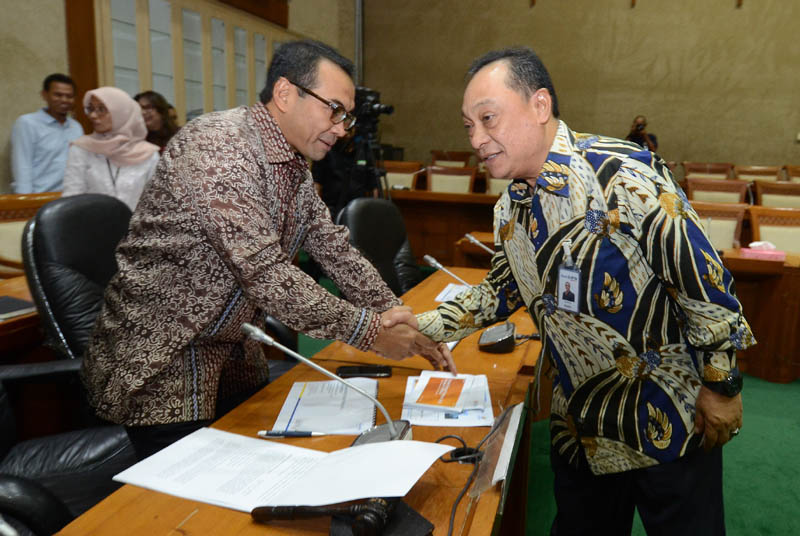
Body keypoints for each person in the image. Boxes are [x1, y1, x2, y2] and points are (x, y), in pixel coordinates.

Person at [411, 47, 752, 535]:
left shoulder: (622, 175)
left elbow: (702, 281)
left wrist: (721, 387)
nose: (476, 139)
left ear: (540, 105)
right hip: (581, 429)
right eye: (468, 126)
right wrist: (417, 327)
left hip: (667, 419)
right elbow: (499, 292)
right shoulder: (510, 209)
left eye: (487, 119)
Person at [81, 40, 453, 460]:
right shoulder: (220, 147)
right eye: (334, 110)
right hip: (164, 363)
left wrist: (400, 317)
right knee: (205, 493)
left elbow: (335, 250)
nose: (342, 128)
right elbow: (266, 274)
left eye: (347, 116)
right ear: (285, 93)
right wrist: (371, 332)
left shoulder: (293, 166)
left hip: (234, 357)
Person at [62, 87, 160, 212]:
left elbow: (156, 203)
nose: (93, 115)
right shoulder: (81, 149)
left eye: (101, 109)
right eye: (90, 109)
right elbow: (71, 197)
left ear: (121, 112)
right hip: (90, 222)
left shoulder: (149, 155)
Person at [10, 73, 84, 193]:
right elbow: (22, 166)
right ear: (44, 95)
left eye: (69, 96)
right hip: (39, 197)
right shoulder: (27, 123)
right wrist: (26, 201)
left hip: (71, 196)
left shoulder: (76, 127)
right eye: (58, 95)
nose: (64, 100)